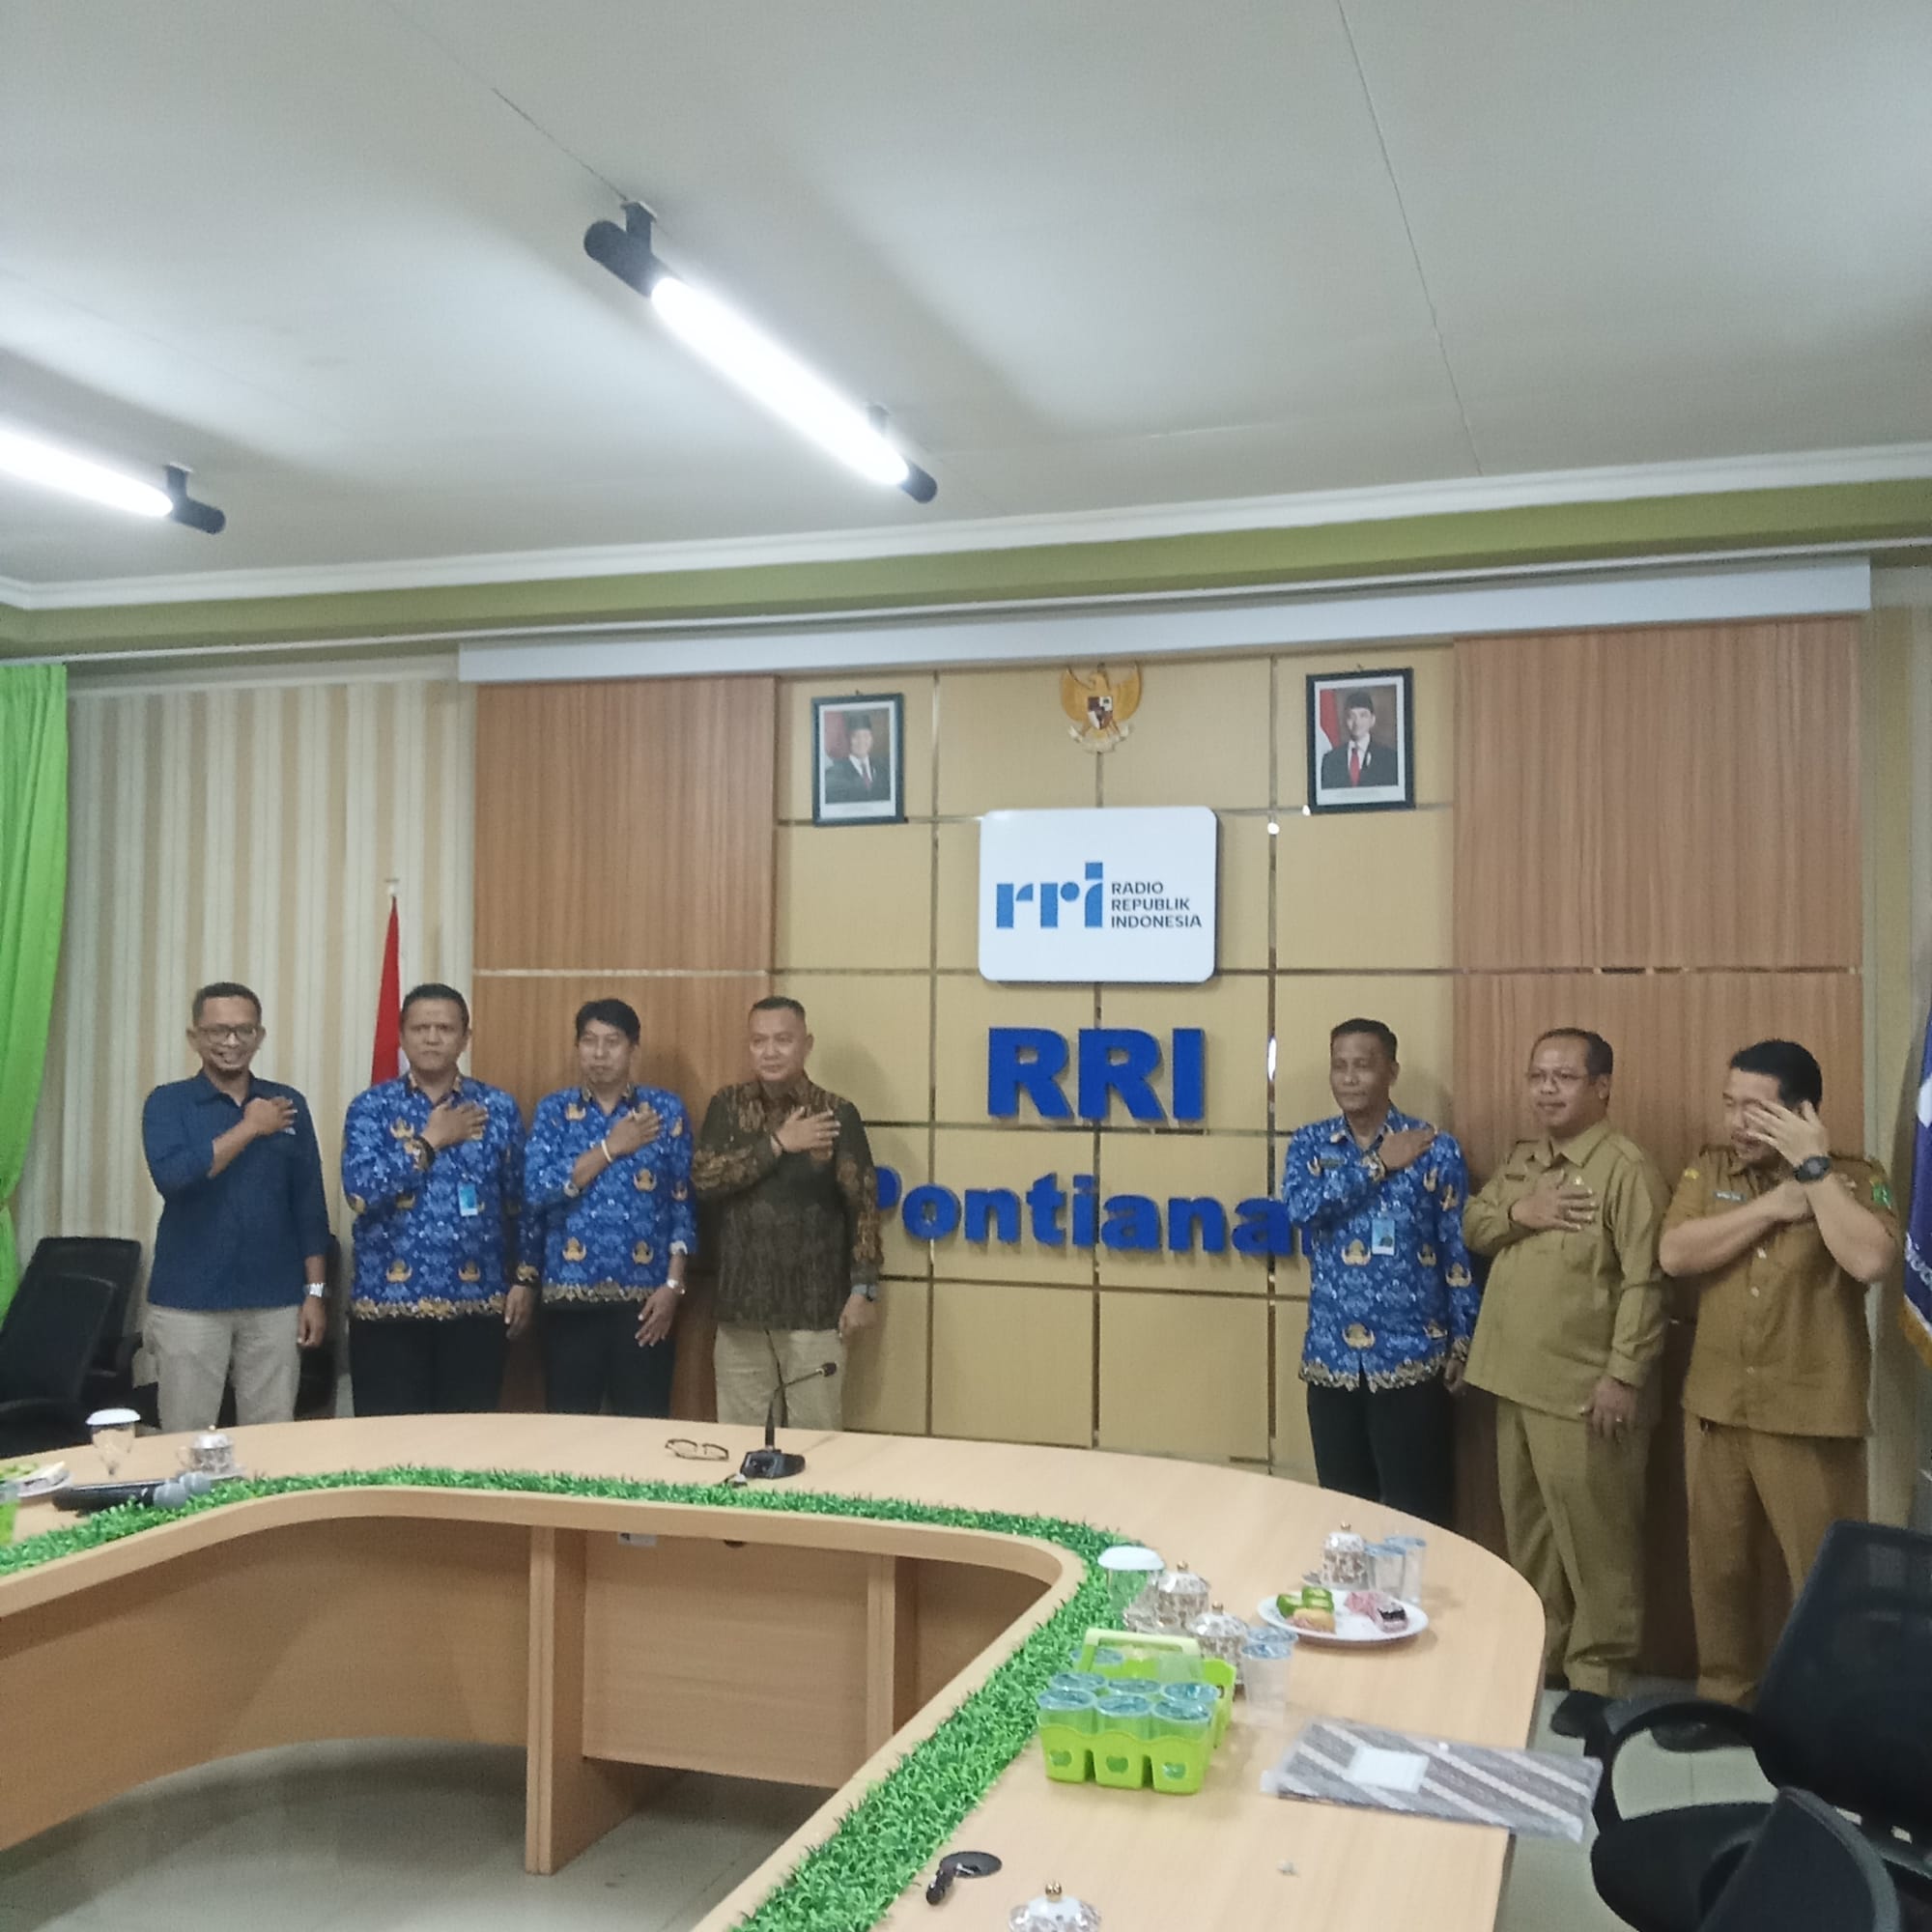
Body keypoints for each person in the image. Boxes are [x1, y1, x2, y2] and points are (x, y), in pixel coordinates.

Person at [1656, 1039, 1898, 1746]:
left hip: (1809, 1413)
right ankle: (1725, 1702)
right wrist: (1771, 1209)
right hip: (1717, 1406)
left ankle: (1836, 1718)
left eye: (1755, 1109)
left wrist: (1813, 1175)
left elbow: (1870, 1259)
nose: (1737, 1122)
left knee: (1825, 1577)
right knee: (1719, 1568)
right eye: (1729, 1104)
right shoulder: (1709, 1169)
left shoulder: (1856, 1177)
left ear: (1801, 1113)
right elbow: (1676, 1254)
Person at [1463, 1028, 1668, 1739]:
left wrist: (1623, 1375)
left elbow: (1647, 1281)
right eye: (1537, 1076)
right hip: (1514, 1379)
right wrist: (1521, 1212)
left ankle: (1600, 1676)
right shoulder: (1525, 1161)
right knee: (1532, 1536)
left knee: (1598, 1541)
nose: (1546, 1089)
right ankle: (1544, 1658)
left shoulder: (1625, 1169)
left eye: (1564, 1077)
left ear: (1601, 1087)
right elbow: (1474, 1225)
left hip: (1586, 1391)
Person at [1278, 1018, 1477, 1525]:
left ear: (1391, 1071)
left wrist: (1463, 1341)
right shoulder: (1312, 1145)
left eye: (1363, 1066)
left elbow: (1456, 1248)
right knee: (1344, 1512)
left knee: (1419, 1515)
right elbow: (1301, 1209)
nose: (1349, 1078)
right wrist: (1376, 1165)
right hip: (1332, 1359)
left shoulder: (1434, 1148)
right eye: (1339, 1066)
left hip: (1414, 1355)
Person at [140, 981, 330, 1433]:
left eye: (244, 1030)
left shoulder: (288, 1104)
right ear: (195, 1037)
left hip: (275, 1301)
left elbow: (309, 1206)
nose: (231, 1042)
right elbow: (174, 1178)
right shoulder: (168, 1102)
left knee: (271, 1437)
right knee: (187, 1438)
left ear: (259, 1036)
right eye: (218, 1031)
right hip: (189, 1301)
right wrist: (250, 1128)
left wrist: (316, 1293)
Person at [692, 996, 880, 1430]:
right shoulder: (727, 1106)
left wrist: (864, 1291)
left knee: (816, 1440)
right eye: (759, 1041)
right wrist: (777, 1144)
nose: (770, 1052)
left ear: (806, 1044)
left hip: (815, 1309)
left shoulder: (836, 1113)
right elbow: (705, 1181)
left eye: (783, 1040)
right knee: (741, 1441)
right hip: (742, 1308)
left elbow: (863, 1206)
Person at [342, 982, 530, 1414]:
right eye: (420, 1028)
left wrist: (524, 1279)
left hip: (477, 1306)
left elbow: (520, 1203)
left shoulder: (497, 1107)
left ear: (465, 1037)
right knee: (388, 1444)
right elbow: (360, 1193)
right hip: (387, 1308)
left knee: (466, 1444)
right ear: (402, 1036)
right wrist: (429, 1141)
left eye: (444, 1029)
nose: (432, 1038)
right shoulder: (371, 1108)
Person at [522, 999, 695, 1416]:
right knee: (570, 1428)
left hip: (646, 1301)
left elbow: (682, 1204)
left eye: (612, 1042)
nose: (599, 1053)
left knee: (643, 1426)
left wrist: (673, 1287)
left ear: (634, 1049)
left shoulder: (664, 1111)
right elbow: (538, 1190)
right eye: (589, 1041)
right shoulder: (554, 1111)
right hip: (569, 1296)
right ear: (577, 1047)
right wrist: (609, 1148)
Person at [1319, 689, 1399, 790]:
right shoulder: (1330, 759)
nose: (1357, 722)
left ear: (1372, 720)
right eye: (1351, 716)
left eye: (1363, 715)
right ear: (1345, 720)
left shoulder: (1389, 758)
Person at [822, 718, 892, 805]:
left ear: (872, 739)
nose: (861, 741)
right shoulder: (835, 772)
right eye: (856, 736)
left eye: (866, 736)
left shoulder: (883, 769)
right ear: (848, 739)